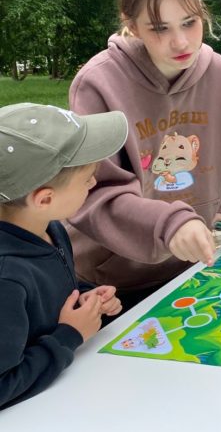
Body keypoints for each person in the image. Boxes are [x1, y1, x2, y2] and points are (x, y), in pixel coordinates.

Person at [66, 0, 221, 315]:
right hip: (114, 283)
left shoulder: (217, 71)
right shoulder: (97, 83)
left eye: (189, 22)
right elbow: (91, 193)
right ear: (131, 24)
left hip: (191, 266)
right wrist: (169, 224)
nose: (181, 42)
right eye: (160, 28)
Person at [0, 103, 128, 409]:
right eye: (87, 179)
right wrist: (69, 334)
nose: (94, 183)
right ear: (45, 199)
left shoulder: (49, 228)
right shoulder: (7, 277)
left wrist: (84, 298)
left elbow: (44, 296)